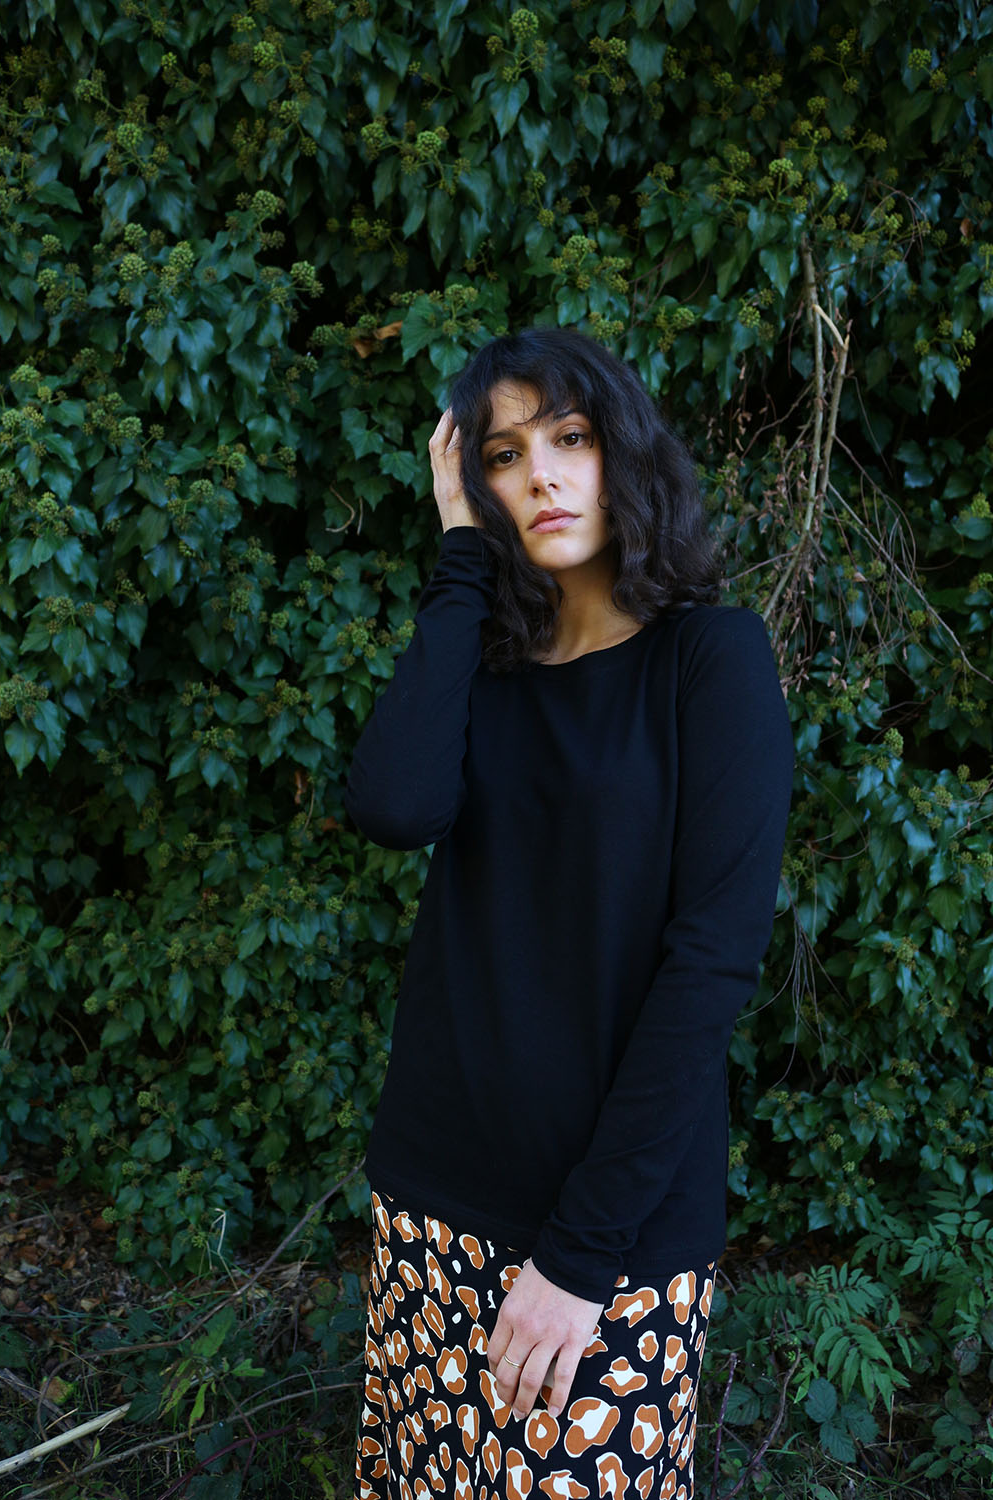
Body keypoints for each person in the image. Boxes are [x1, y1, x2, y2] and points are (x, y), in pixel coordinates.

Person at [343, 326, 793, 1500]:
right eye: (502, 455)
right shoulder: (484, 671)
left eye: (570, 438)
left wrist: (579, 1257)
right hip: (434, 1196)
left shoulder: (711, 661)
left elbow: (709, 969)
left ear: (622, 451)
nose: (540, 475)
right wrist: (459, 554)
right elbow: (391, 805)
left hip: (610, 1238)